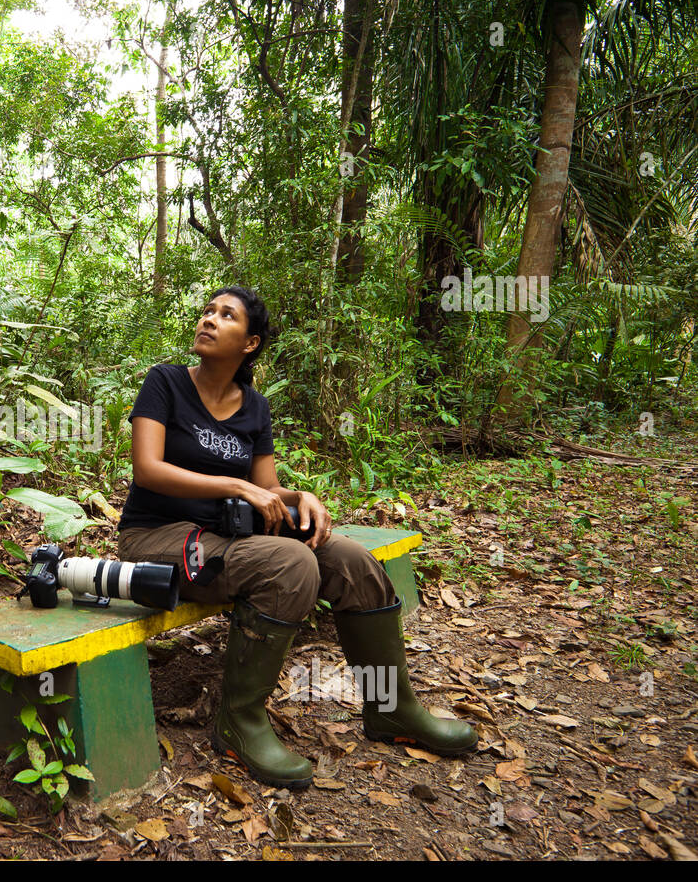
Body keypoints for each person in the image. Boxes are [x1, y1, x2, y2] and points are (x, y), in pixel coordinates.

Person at [115, 286, 476, 789]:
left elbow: (266, 490)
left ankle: (392, 707)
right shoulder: (166, 383)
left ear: (250, 343)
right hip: (156, 538)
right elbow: (148, 469)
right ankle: (239, 722)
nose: (209, 319)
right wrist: (237, 485)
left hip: (228, 537)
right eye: (207, 311)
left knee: (352, 561)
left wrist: (298, 497)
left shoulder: (254, 408)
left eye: (226, 315)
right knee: (289, 564)